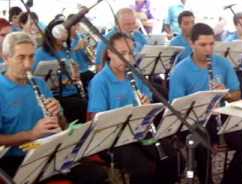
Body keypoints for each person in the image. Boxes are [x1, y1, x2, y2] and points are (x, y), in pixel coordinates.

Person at [0, 32, 107, 183]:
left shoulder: (39, 83)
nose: (28, 64)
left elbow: (62, 126)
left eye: (31, 56)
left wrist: (58, 115)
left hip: (49, 149)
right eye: (21, 57)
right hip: (18, 159)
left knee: (96, 174)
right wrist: (32, 134)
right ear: (6, 58)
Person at [169, 23, 242, 184]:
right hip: (193, 121)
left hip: (220, 114)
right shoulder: (180, 71)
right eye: (203, 45)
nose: (208, 49)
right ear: (192, 43)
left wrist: (226, 93)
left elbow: (237, 95)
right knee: (202, 147)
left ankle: (231, 180)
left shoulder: (222, 63)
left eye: (211, 44)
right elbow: (176, 108)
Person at [88, 32, 179, 184]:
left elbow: (149, 102)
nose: (128, 58)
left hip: (140, 129)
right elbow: (96, 119)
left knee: (172, 158)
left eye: (131, 52)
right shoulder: (100, 81)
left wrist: (146, 105)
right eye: (122, 53)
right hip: (115, 138)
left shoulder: (135, 73)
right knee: (142, 169)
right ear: (110, 53)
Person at [34, 18, 87, 123]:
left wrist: (76, 75)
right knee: (82, 106)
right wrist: (67, 81)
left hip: (72, 92)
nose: (64, 37)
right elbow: (39, 84)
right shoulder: (40, 54)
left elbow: (75, 76)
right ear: (52, 34)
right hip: (56, 96)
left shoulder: (68, 51)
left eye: (66, 33)